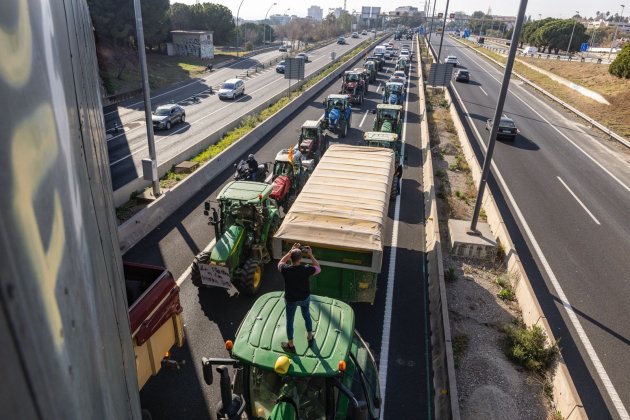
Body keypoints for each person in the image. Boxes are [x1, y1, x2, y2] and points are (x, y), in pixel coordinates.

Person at [277, 243, 321, 352]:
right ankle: (310, 337)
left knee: (290, 321)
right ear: (300, 259)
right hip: (304, 298)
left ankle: (291, 345)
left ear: (291, 258)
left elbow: (280, 263)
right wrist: (311, 255)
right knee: (306, 315)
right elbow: (318, 268)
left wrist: (290, 251)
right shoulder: (306, 269)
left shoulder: (285, 270)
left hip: (291, 299)